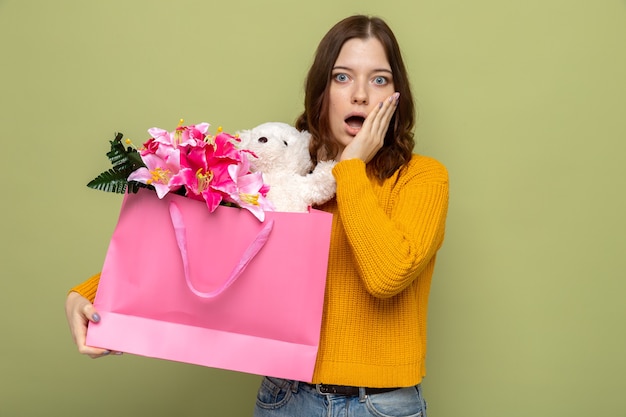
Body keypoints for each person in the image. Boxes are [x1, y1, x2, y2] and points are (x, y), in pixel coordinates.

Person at [65, 14, 449, 417]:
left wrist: (350, 169)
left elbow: (386, 275)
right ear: (320, 91)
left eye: (379, 79)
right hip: (286, 399)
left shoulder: (422, 178)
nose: (359, 96)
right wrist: (91, 292)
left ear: (396, 95)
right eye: (341, 77)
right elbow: (213, 249)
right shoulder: (284, 177)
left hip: (382, 405)